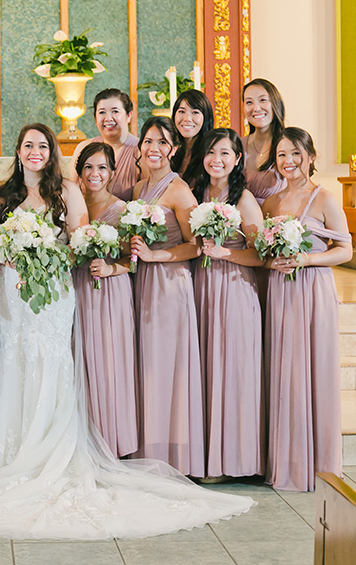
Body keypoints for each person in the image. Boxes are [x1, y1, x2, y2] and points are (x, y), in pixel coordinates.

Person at [0, 123, 254, 540]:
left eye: (43, 145)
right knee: (16, 363)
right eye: (28, 144)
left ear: (52, 152)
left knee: (52, 360)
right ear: (18, 149)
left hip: (53, 290)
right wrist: (14, 250)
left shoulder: (65, 190)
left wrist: (45, 251)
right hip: (14, 291)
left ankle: (52, 449)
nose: (35, 151)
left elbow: (78, 240)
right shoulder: (4, 190)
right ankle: (11, 454)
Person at [262, 128, 352, 491]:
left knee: (314, 370)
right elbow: (262, 255)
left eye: (296, 154)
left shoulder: (325, 199)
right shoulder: (270, 203)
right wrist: (274, 263)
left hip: (313, 291)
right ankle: (287, 460)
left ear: (311, 157)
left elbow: (345, 250)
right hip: (280, 293)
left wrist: (308, 258)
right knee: (285, 371)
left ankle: (319, 462)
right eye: (282, 155)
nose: (289, 162)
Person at [130, 116, 204, 477]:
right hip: (143, 282)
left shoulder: (179, 191)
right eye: (148, 142)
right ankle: (148, 446)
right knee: (148, 365)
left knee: (168, 365)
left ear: (173, 149)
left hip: (170, 284)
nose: (153, 149)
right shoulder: (139, 188)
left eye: (162, 143)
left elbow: (196, 246)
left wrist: (155, 256)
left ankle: (172, 453)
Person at [190, 129, 265, 480]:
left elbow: (261, 255)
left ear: (237, 159)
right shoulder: (195, 193)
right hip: (202, 288)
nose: (215, 160)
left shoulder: (244, 199)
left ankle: (234, 461)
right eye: (210, 152)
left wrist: (226, 254)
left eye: (224, 153)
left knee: (232, 369)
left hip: (235, 289)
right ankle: (206, 457)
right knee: (205, 369)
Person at [72, 142, 138, 457]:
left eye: (101, 167)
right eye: (88, 167)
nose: (95, 174)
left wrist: (111, 267)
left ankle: (111, 441)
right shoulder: (70, 205)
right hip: (77, 291)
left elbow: (135, 260)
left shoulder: (123, 210)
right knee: (79, 361)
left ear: (112, 172)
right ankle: (80, 439)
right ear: (80, 172)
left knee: (110, 364)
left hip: (111, 293)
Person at [68, 89, 140, 201]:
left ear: (129, 116)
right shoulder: (83, 147)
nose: (108, 118)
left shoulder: (141, 150)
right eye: (102, 112)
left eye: (115, 111)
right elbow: (71, 193)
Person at [242, 78, 287, 203]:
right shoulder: (237, 145)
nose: (256, 108)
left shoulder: (289, 145)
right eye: (249, 102)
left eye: (262, 100)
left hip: (278, 219)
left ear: (275, 103)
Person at [169, 89, 215, 187]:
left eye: (195, 112)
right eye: (181, 111)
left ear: (206, 117)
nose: (187, 119)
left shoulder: (211, 153)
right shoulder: (170, 151)